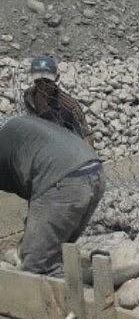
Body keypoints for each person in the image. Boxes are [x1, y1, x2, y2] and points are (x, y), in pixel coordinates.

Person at [0, 115, 104, 276]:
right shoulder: (12, 127)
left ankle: (81, 292)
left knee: (37, 268)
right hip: (93, 170)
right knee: (54, 251)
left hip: (65, 182)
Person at [23, 56, 92, 143]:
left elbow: (87, 136)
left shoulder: (70, 107)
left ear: (57, 78)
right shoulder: (29, 96)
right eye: (38, 81)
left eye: (47, 81)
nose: (43, 87)